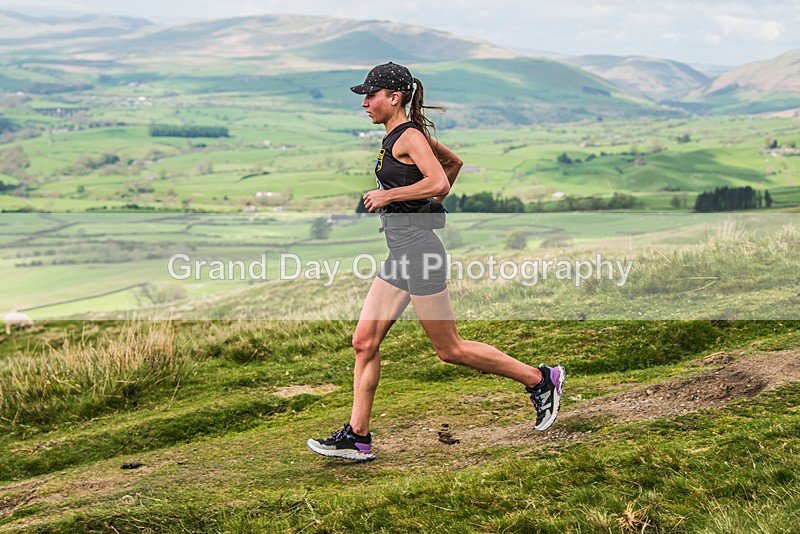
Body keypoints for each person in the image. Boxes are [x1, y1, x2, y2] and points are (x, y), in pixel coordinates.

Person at [307, 62, 565, 461]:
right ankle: (357, 437)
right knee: (364, 342)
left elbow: (441, 180)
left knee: (449, 349)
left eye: (370, 95)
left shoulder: (407, 136)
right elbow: (454, 164)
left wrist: (392, 198)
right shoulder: (405, 134)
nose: (364, 103)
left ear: (394, 97)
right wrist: (425, 205)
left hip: (420, 254)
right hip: (401, 253)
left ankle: (540, 380)